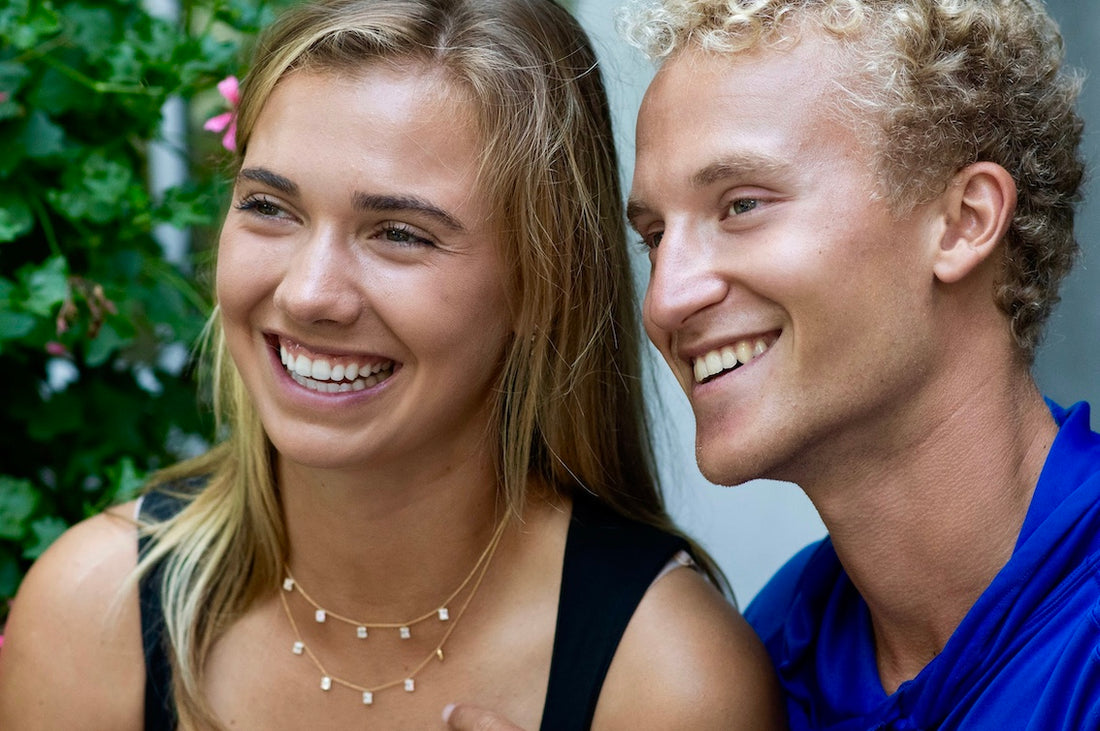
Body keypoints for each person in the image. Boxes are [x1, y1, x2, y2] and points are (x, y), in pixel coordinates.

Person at [0, 0, 785, 729]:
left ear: (549, 283)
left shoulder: (669, 677)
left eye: (399, 233)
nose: (309, 294)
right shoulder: (92, 608)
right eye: (270, 207)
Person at [616, 0, 1099, 729]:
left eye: (741, 205)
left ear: (964, 221)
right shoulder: (769, 649)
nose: (665, 298)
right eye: (655, 236)